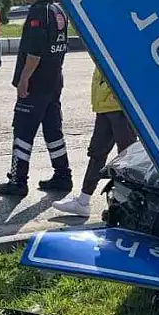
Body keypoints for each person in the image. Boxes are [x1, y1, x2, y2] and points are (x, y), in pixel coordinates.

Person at [0, 0, 72, 197]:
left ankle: (18, 180)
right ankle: (62, 175)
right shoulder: (59, 11)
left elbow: (35, 51)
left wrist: (24, 78)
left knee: (23, 131)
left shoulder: (38, 12)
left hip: (36, 84)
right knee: (53, 130)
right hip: (53, 82)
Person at [52, 66, 138, 216]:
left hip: (120, 106)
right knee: (97, 154)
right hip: (106, 106)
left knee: (126, 157)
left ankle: (128, 205)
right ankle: (83, 201)